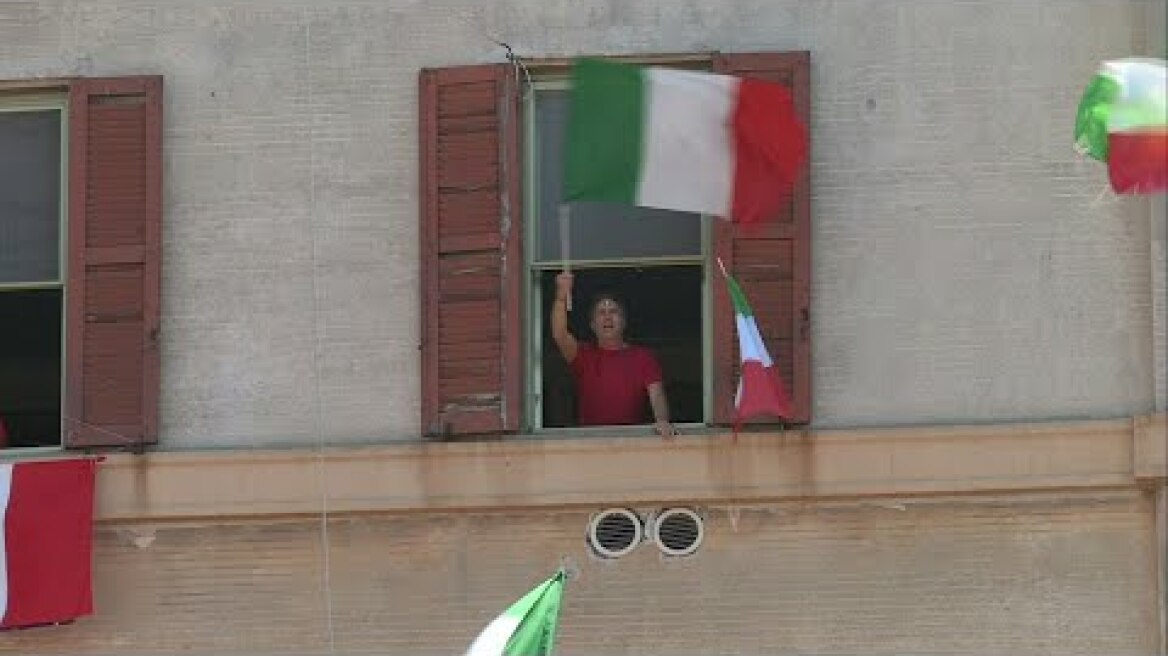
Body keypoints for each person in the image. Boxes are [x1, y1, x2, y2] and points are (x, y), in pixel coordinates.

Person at [550, 272, 678, 439]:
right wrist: (560, 297)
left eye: (613, 311)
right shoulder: (583, 356)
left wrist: (662, 421)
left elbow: (657, 396)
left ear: (623, 322)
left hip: (632, 443)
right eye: (601, 313)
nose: (608, 317)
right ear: (593, 325)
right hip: (590, 444)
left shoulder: (643, 358)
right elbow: (559, 334)